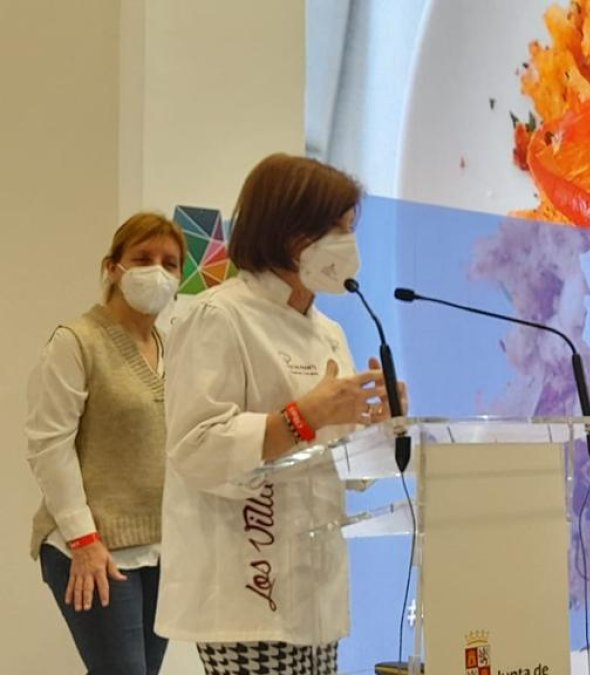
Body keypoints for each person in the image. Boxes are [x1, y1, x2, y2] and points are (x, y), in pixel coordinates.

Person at [157, 153, 404, 675]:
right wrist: (300, 418)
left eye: (351, 228)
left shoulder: (328, 332)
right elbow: (195, 449)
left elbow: (345, 468)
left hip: (316, 590)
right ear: (290, 232)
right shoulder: (217, 316)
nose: (349, 244)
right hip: (246, 589)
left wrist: (381, 427)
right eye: (337, 228)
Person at [26, 212, 184, 674]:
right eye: (143, 258)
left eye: (169, 263)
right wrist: (85, 539)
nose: (157, 271)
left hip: (160, 548)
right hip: (92, 550)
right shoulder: (76, 342)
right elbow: (49, 447)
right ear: (113, 268)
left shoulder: (173, 348)